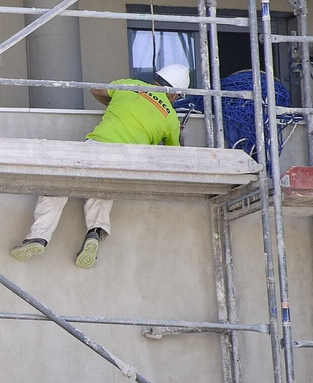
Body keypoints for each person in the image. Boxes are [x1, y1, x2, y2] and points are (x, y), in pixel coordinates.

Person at [10, 64, 190, 269]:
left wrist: (115, 104)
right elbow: (175, 153)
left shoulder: (130, 85)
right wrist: (176, 134)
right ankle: (94, 232)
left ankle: (38, 237)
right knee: (101, 192)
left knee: (58, 183)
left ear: (157, 78)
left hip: (98, 147)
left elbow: (96, 90)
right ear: (175, 95)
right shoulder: (171, 119)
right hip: (129, 163)